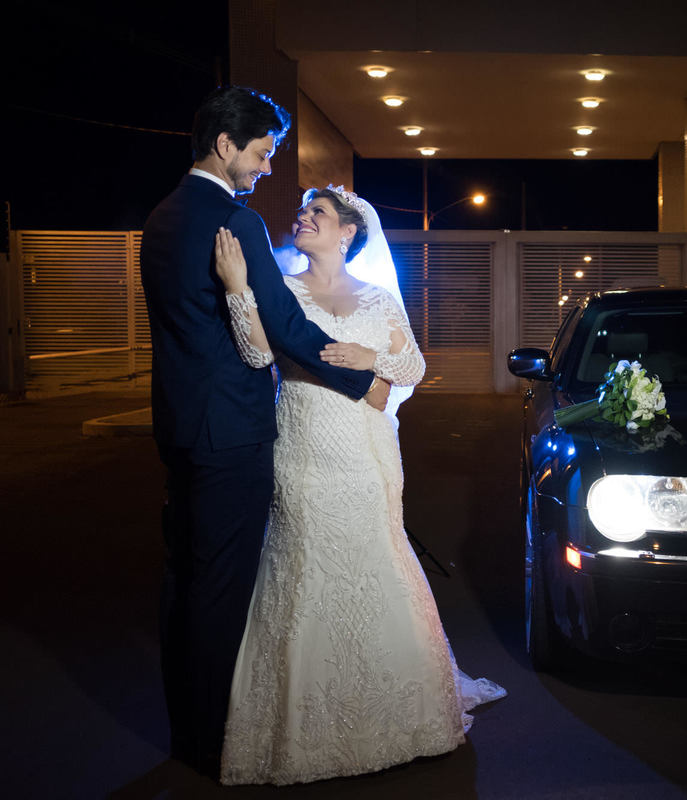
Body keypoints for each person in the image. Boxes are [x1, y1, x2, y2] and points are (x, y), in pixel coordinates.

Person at [214, 186, 505, 785]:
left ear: (348, 233)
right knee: (306, 565)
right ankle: (304, 727)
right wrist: (239, 288)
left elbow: (413, 367)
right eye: (303, 211)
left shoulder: (377, 297)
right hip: (302, 447)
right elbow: (257, 355)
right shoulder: (283, 289)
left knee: (377, 562)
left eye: (317, 212)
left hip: (368, 455)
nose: (303, 217)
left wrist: (367, 357)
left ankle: (401, 713)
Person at [139, 86, 389, 779]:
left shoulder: (161, 216)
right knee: (221, 588)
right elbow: (281, 325)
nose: (267, 166)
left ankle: (183, 731)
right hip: (231, 432)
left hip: (179, 425)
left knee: (183, 577)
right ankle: (212, 743)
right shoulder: (234, 221)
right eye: (262, 151)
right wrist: (359, 379)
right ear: (226, 145)